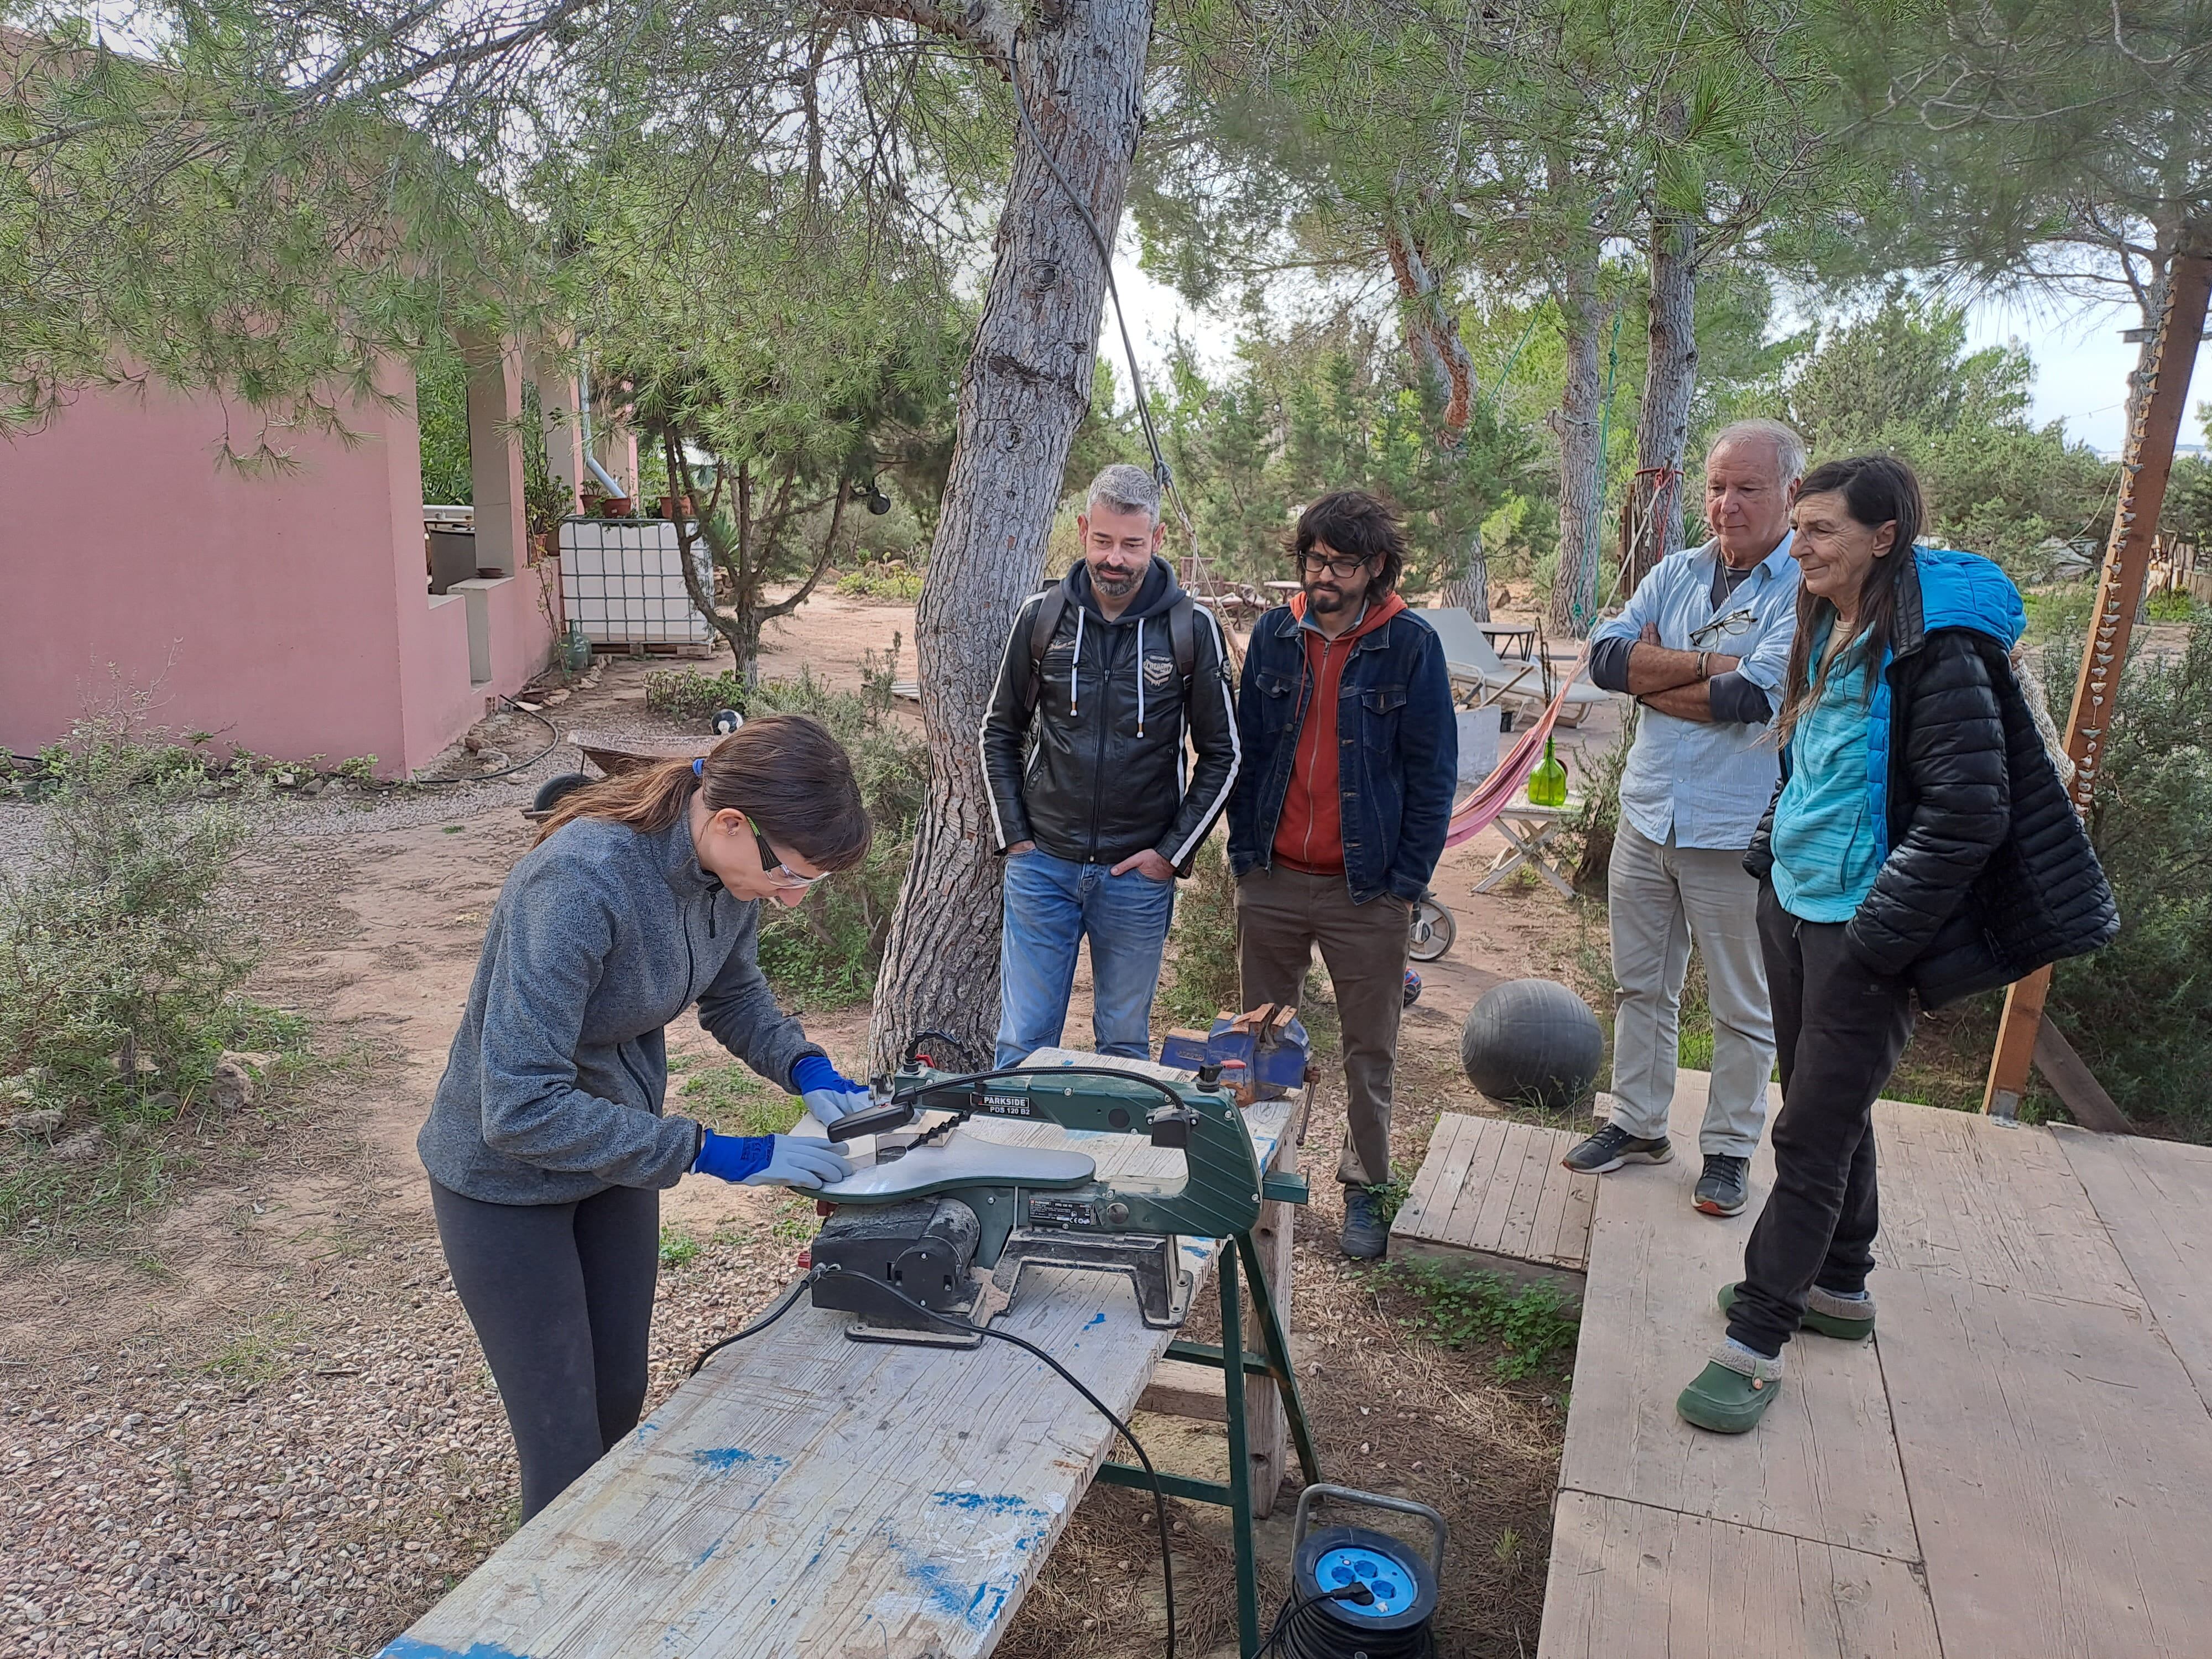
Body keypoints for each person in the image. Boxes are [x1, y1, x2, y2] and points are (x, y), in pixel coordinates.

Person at [1677, 456, 2117, 1434]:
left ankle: (1756, 1338)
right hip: (1795, 902)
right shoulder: (1827, 620)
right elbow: (1814, 760)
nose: (1800, 547)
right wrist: (1768, 854)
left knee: (1812, 1132)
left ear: (1886, 537)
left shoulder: (1937, 650)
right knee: (1824, 1104)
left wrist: (1879, 936)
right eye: (1798, 528)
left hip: (1862, 926)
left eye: (1822, 531)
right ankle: (1840, 1286)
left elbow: (1971, 811)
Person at [418, 716, 880, 1519]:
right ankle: (550, 1618)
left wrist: (806, 1068)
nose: (793, 894)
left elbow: (733, 996)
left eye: (812, 882)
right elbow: (520, 1106)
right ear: (732, 822)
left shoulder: (725, 874)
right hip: (505, 1185)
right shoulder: (581, 882)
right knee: (563, 1448)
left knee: (619, 1399)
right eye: (791, 874)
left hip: (612, 1160)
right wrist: (712, 1152)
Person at [1563, 420, 1807, 1219]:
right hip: (1649, 813)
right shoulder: (1674, 571)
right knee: (1642, 984)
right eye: (1716, 486)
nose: (1726, 504)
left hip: (1734, 830)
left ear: (1792, 494)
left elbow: (1752, 701)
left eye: (1748, 488)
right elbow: (1603, 662)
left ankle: (1731, 1149)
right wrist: (1708, 667)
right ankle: (1637, 1123)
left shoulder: (1801, 589)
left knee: (1742, 1003)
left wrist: (1653, 673)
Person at [1228, 490, 1456, 1259]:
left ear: (1377, 568)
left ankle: (1365, 1191)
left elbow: (1432, 777)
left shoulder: (1412, 646)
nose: (1325, 574)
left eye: (1344, 562)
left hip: (1368, 890)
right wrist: (1243, 858)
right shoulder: (1274, 634)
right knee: (1262, 1039)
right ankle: (1259, 1178)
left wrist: (1404, 884)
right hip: (1275, 877)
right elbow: (1248, 752)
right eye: (1316, 557)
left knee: (1370, 1050)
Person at [979, 462, 1240, 1066]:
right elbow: (999, 730)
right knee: (1022, 1040)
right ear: (1081, 531)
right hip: (1042, 869)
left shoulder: (1189, 628)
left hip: (1135, 878)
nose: (1114, 559)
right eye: (1102, 541)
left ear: (1157, 538)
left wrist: (1170, 855)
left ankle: (1113, 1163)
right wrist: (1015, 838)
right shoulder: (1041, 617)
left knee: (1122, 1044)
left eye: (1130, 543)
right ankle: (1013, 1158)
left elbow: (1224, 754)